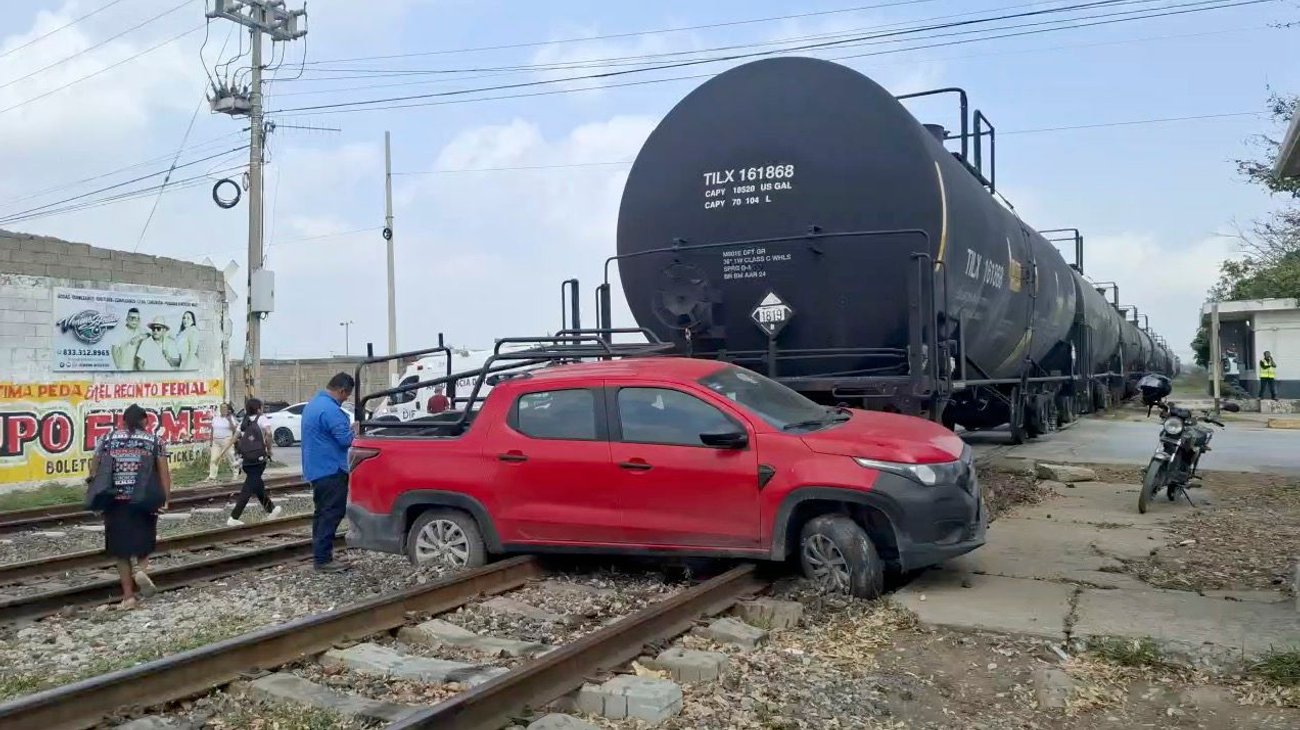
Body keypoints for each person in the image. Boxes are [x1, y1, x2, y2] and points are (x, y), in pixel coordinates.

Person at [88, 404, 171, 609]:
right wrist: (165, 499)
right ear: (145, 421)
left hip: (114, 500)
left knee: (120, 551)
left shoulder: (107, 439)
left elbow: (94, 468)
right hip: (144, 498)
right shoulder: (154, 441)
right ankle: (141, 570)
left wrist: (94, 496)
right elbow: (163, 473)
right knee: (144, 541)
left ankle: (128, 597)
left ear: (123, 421)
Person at [302, 373, 357, 572]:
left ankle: (321, 556)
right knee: (332, 513)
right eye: (346, 395)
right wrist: (355, 431)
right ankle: (323, 560)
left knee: (321, 514)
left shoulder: (313, 404)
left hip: (316, 470)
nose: (346, 399)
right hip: (331, 469)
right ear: (342, 391)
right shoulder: (331, 410)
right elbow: (345, 440)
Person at [228, 398, 282, 526]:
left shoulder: (244, 420)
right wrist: (269, 450)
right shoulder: (262, 419)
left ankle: (271, 509)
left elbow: (236, 436)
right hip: (258, 459)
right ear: (258, 408)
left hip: (247, 460)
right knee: (248, 488)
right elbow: (269, 434)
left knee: (257, 485)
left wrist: (230, 447)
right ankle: (234, 517)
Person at [208, 402, 238, 480]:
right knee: (214, 458)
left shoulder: (231, 418)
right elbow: (212, 429)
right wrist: (211, 440)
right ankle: (212, 476)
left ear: (228, 410)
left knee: (230, 458)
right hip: (216, 441)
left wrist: (229, 421)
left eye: (225, 408)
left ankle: (235, 473)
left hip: (227, 440)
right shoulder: (216, 418)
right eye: (221, 408)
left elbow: (235, 430)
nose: (223, 410)